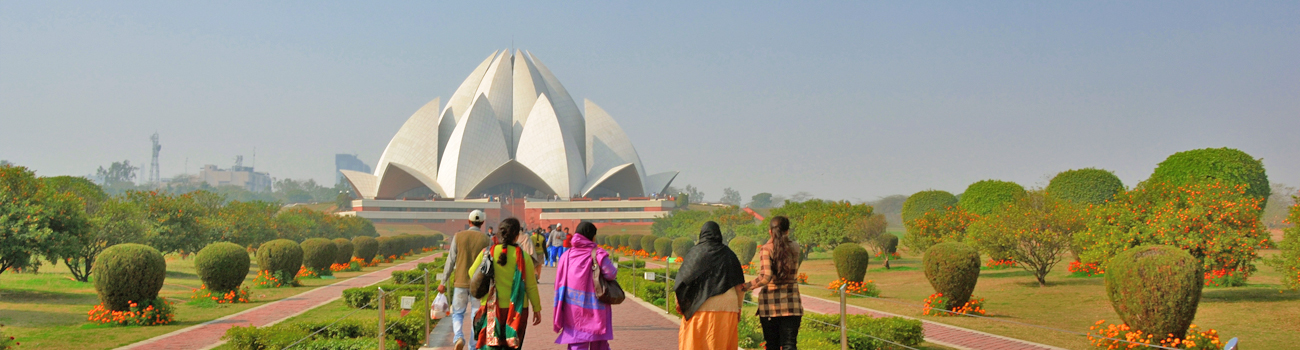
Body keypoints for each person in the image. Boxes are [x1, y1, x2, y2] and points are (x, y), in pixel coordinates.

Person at [469, 218, 542, 349]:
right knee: (512, 345)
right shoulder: (524, 257)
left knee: (490, 346)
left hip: (490, 308)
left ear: (499, 233)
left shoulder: (487, 253)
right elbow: (531, 286)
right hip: (518, 310)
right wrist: (537, 309)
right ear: (517, 235)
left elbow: (472, 273)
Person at [674, 221, 747, 350]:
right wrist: (739, 307)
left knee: (695, 345)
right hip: (727, 308)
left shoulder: (695, 253)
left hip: (697, 307)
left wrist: (679, 302)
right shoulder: (728, 254)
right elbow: (739, 286)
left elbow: (682, 281)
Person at [552, 222, 618, 350]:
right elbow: (611, 274)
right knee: (599, 343)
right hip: (596, 307)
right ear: (592, 236)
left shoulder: (566, 256)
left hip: (573, 308)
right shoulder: (598, 254)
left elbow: (559, 282)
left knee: (577, 342)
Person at [742, 216, 804, 350]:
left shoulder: (766, 249)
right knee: (790, 345)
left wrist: (745, 287)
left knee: (772, 345)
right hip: (792, 304)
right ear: (787, 231)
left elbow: (765, 277)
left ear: (770, 231)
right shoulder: (795, 247)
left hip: (771, 306)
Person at [438, 210, 492, 350]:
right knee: (476, 314)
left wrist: (443, 282)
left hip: (460, 282)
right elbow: (489, 264)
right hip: (478, 284)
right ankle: (472, 346)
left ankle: (458, 337)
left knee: (457, 313)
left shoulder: (458, 237)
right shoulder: (486, 239)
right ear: (482, 223)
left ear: (469, 222)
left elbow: (450, 261)